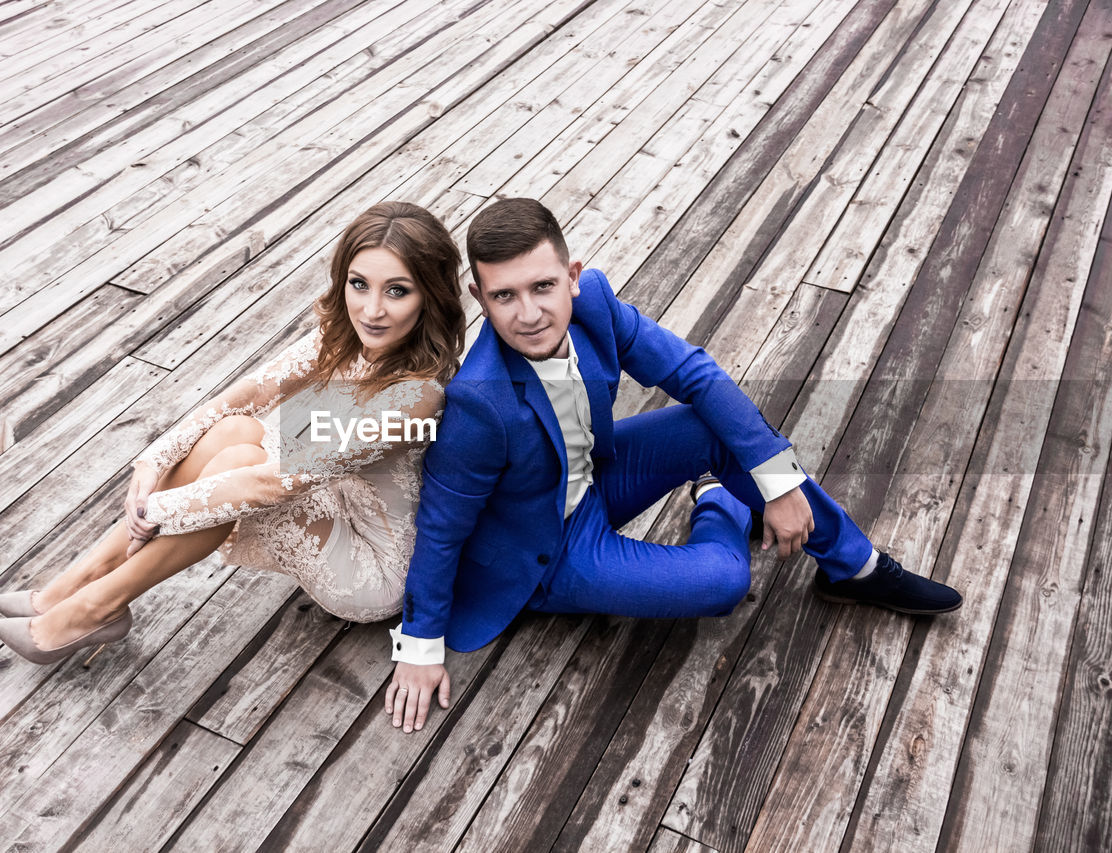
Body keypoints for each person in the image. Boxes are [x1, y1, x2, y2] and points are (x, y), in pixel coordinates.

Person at [384, 198, 961, 733]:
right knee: (723, 582)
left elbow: (695, 372)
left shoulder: (596, 305)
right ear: (479, 297)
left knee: (713, 426)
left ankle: (855, 568)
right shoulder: (479, 400)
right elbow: (441, 526)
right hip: (544, 547)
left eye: (543, 287)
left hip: (595, 478)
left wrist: (779, 483)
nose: (529, 313)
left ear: (574, 276)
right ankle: (718, 502)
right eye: (504, 296)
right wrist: (419, 645)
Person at [0, 201, 465, 664]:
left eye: (397, 291)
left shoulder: (417, 395)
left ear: (431, 296)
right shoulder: (346, 338)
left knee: (241, 466)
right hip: (334, 501)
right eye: (359, 284)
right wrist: (153, 459)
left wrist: (153, 511)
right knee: (233, 430)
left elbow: (273, 484)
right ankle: (81, 583)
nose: (372, 309)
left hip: (373, 569)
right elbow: (246, 395)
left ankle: (92, 606)